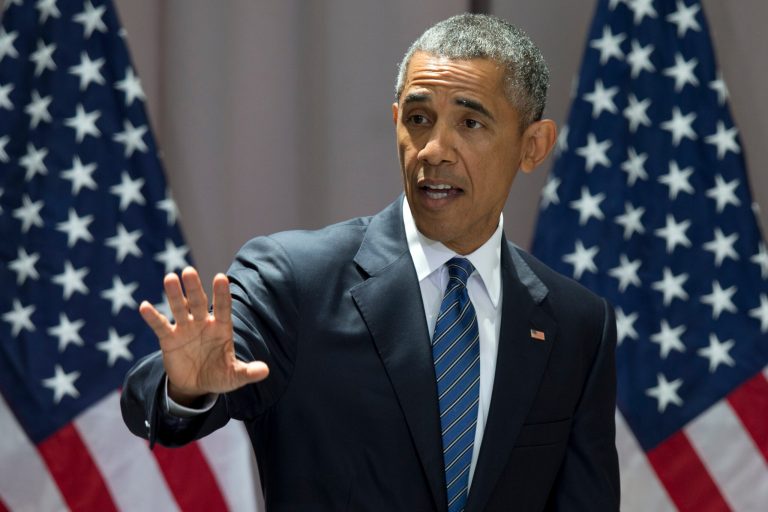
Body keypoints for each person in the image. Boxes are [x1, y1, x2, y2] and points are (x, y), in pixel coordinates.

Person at [121, 13, 619, 511]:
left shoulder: (576, 324)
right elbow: (175, 396)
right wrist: (184, 390)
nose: (434, 150)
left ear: (533, 146)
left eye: (470, 123)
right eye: (418, 119)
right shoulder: (297, 280)